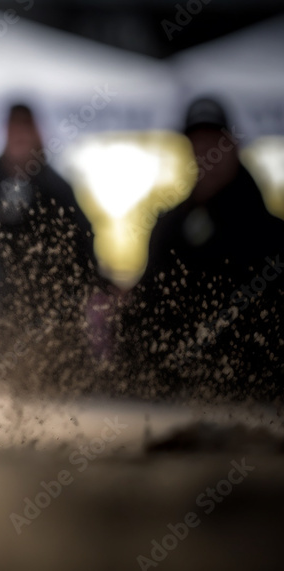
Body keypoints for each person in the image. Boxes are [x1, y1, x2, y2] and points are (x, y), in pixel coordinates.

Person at [129, 96, 284, 400]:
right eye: (197, 144)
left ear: (233, 146)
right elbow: (149, 303)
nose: (205, 153)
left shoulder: (270, 234)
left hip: (259, 396)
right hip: (177, 395)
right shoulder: (170, 225)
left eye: (214, 143)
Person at [0, 103, 108, 397]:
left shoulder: (56, 187)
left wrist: (93, 284)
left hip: (45, 303)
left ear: (37, 133)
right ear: (5, 132)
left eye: (26, 129)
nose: (20, 136)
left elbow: (83, 238)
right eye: (15, 128)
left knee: (45, 383)